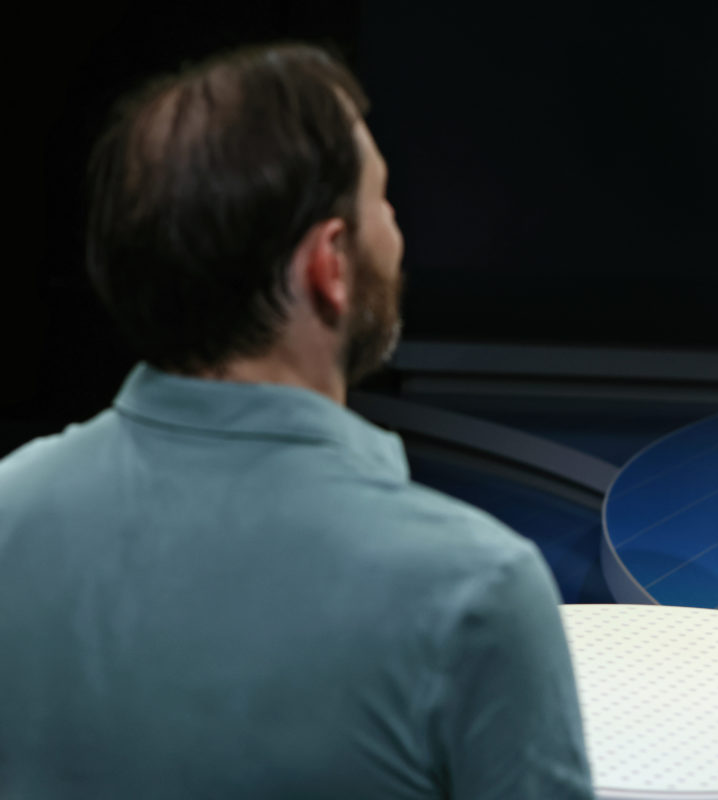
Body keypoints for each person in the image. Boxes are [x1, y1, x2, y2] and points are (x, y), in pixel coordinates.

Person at [0, 44, 592, 799]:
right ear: (331, 265)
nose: (399, 232)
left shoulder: (7, 514)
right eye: (384, 200)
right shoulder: (474, 591)